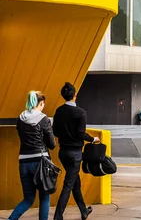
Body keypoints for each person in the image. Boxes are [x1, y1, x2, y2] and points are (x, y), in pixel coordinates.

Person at [53, 82, 99, 220]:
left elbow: (55, 131)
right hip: (75, 154)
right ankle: (58, 216)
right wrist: (92, 139)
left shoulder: (58, 111)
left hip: (63, 153)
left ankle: (84, 211)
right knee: (68, 184)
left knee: (74, 182)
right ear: (74, 94)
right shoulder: (80, 113)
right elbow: (81, 134)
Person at [8, 91, 55, 220]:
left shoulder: (20, 118)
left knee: (28, 198)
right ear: (41, 103)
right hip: (40, 162)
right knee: (44, 196)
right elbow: (52, 144)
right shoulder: (44, 119)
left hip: (23, 161)